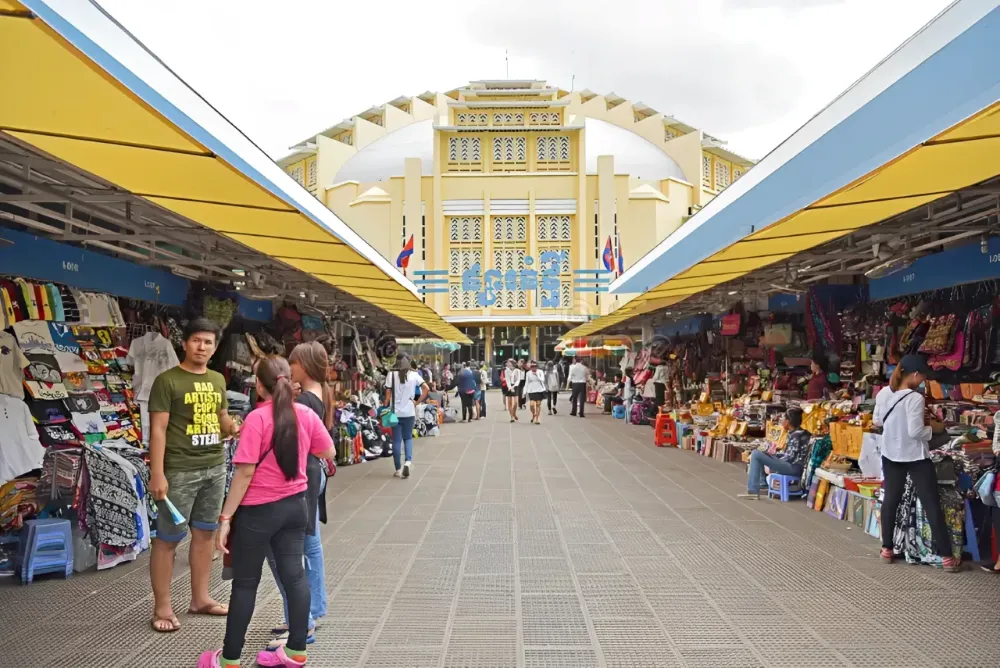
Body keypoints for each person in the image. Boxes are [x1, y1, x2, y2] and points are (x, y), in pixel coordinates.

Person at [198, 357, 335, 668]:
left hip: (257, 513)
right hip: (295, 508)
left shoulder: (256, 420)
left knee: (246, 583)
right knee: (295, 578)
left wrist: (225, 518)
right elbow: (328, 452)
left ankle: (230, 658)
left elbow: (244, 475)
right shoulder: (305, 415)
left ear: (259, 385)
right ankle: (296, 652)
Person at [148, 318, 236, 633]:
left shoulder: (217, 379)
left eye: (208, 342)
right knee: (168, 539)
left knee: (205, 536)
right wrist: (157, 473)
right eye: (196, 340)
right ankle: (162, 606)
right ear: (184, 343)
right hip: (179, 470)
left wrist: (234, 427)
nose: (202, 347)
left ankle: (200, 598)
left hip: (214, 467)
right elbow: (157, 430)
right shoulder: (167, 380)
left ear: (214, 348)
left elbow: (223, 418)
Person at [265, 342, 334, 648]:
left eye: (292, 363)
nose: (289, 369)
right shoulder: (322, 391)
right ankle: (309, 611)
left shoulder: (305, 399)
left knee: (294, 551)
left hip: (303, 476)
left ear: (303, 365)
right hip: (313, 473)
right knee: (311, 544)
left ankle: (301, 620)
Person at [873, 355, 959, 571]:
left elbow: (876, 420)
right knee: (931, 503)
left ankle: (887, 549)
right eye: (923, 376)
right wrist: (935, 429)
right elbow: (916, 432)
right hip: (915, 456)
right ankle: (947, 557)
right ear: (915, 374)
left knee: (891, 500)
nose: (923, 380)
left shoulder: (884, 393)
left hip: (891, 453)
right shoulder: (915, 398)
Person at [740, 408, 811, 499]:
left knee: (756, 454)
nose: (782, 421)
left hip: (793, 467)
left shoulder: (797, 435)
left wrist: (773, 460)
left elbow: (790, 457)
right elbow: (788, 454)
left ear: (788, 421)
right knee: (761, 454)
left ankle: (752, 491)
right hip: (792, 464)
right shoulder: (796, 433)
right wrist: (772, 456)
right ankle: (762, 483)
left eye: (783, 419)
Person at [385, 356, 428, 478]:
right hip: (409, 411)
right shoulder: (414, 375)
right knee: (408, 438)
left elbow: (388, 394)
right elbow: (426, 389)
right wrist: (417, 402)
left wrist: (385, 405)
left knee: (397, 440)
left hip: (395, 412)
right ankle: (408, 462)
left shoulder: (391, 374)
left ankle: (398, 469)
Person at [522, 360, 547, 425]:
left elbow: (542, 380)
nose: (534, 368)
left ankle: (537, 418)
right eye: (532, 366)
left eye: (535, 366)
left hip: (539, 389)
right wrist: (524, 392)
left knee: (538, 404)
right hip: (531, 389)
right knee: (532, 404)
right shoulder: (528, 373)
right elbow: (526, 382)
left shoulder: (540, 372)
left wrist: (537, 375)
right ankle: (534, 414)